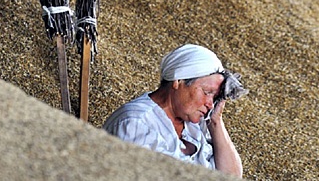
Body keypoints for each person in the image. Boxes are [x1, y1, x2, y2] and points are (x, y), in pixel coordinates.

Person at [103, 44, 247, 177]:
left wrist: (215, 122)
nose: (210, 104)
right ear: (179, 81)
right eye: (207, 92)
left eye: (215, 97)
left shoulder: (196, 124)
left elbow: (232, 177)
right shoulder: (136, 123)